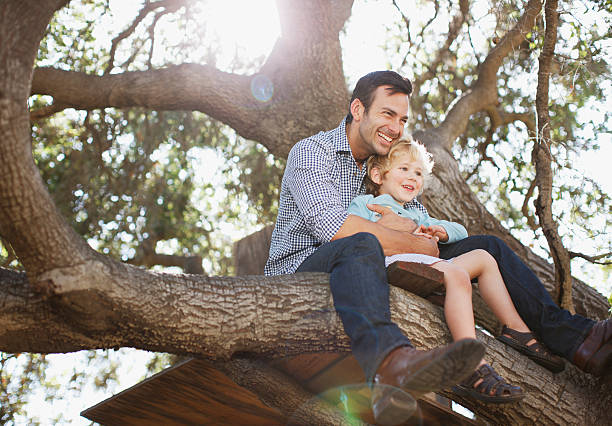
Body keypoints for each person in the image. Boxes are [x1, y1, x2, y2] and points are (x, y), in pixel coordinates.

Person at [265, 71, 611, 425]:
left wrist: (429, 239)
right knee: (362, 242)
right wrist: (417, 243)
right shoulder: (313, 153)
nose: (396, 127)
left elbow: (412, 233)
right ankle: (389, 363)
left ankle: (575, 338)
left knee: (486, 246)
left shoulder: (376, 167)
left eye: (403, 119)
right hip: (303, 273)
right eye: (387, 114)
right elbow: (334, 229)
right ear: (358, 109)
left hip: (370, 262)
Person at [349, 137, 566, 403]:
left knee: (483, 258)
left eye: (418, 173)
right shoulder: (365, 204)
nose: (412, 177)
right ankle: (472, 363)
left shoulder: (417, 213)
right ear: (377, 175)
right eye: (403, 169)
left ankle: (517, 329)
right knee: (457, 274)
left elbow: (461, 231)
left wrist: (439, 232)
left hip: (426, 265)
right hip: (393, 266)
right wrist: (390, 230)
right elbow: (353, 236)